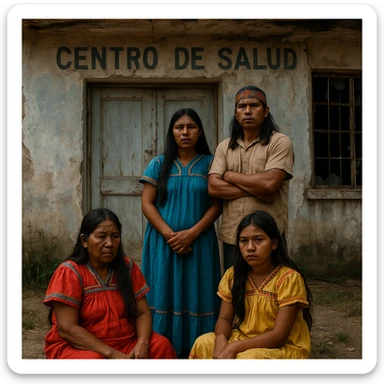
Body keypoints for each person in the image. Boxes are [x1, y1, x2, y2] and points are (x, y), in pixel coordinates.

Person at [138, 108, 222, 358]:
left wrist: (192, 234)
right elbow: (147, 204)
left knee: (199, 289)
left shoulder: (210, 164)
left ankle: (198, 349)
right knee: (163, 289)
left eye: (191, 126)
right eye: (179, 127)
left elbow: (217, 205)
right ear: (171, 132)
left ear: (200, 131)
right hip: (163, 243)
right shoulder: (158, 164)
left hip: (199, 241)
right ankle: (161, 348)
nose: (185, 132)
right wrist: (170, 235)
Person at [43, 207, 177, 359]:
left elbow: (142, 312)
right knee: (94, 362)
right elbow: (67, 328)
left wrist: (143, 342)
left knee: (161, 345)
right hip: (81, 346)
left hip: (126, 341)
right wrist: (112, 355)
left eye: (115, 236)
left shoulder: (128, 268)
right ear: (84, 241)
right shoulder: (70, 272)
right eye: (101, 236)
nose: (109, 243)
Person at [189, 210, 313, 359]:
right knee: (203, 343)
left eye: (258, 240)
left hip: (283, 346)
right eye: (243, 241)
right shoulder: (233, 275)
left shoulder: (289, 279)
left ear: (274, 244)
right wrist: (221, 339)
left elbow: (279, 336)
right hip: (243, 338)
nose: (250, 247)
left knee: (248, 359)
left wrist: (234, 347)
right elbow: (224, 319)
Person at [208, 85, 294, 271]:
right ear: (235, 113)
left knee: (271, 289)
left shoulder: (279, 142)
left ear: (266, 111)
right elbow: (214, 187)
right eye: (242, 106)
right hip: (233, 235)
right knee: (235, 289)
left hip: (268, 237)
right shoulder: (224, 147)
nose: (247, 111)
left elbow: (270, 183)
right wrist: (260, 192)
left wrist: (229, 176)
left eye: (254, 105)